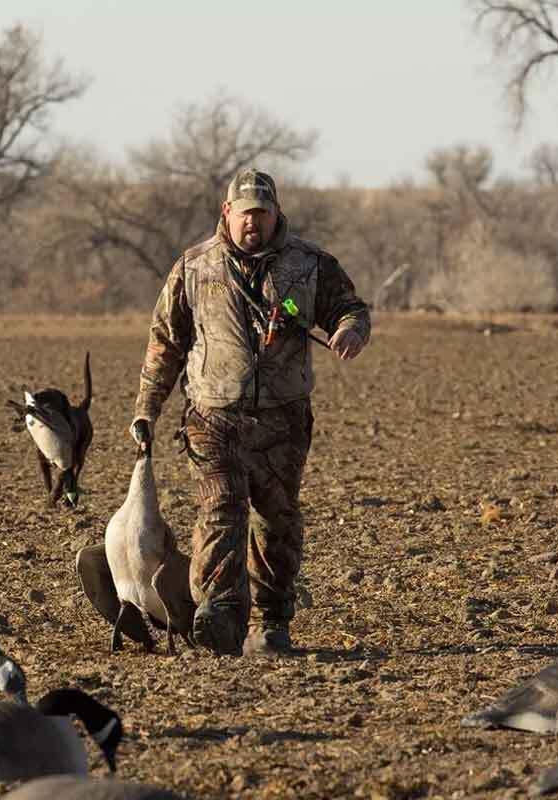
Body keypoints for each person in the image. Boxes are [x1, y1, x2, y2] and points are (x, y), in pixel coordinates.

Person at [129, 168, 370, 657]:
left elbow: (351, 308)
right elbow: (166, 345)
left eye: (262, 213)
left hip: (283, 420)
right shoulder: (194, 268)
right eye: (245, 214)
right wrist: (146, 410)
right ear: (227, 213)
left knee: (275, 521)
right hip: (213, 417)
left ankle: (271, 622)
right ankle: (219, 614)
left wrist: (351, 329)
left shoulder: (309, 264)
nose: (253, 224)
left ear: (276, 213)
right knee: (222, 510)